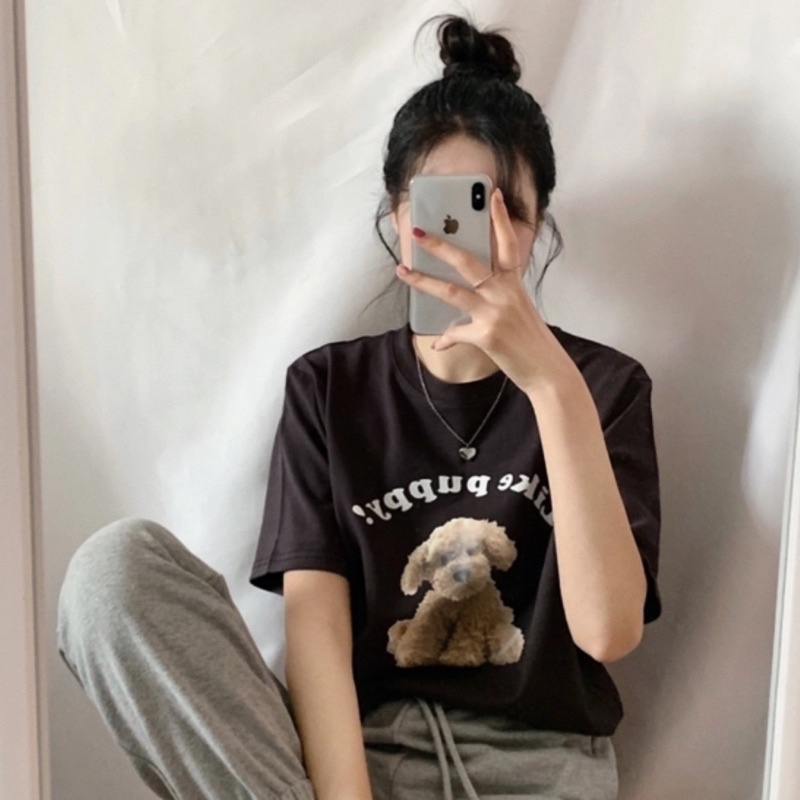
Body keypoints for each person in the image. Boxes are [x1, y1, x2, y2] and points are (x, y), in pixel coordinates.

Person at [57, 15, 660, 800]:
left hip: (541, 777)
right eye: (449, 210)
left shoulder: (602, 387)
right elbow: (317, 638)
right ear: (400, 221)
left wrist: (550, 383)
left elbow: (608, 631)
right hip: (352, 768)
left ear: (539, 224)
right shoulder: (328, 390)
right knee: (112, 572)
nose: (477, 239)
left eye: (505, 209)